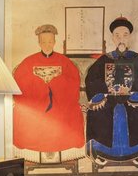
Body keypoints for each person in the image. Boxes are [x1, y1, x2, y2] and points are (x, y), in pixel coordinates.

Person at [85, 16, 138, 166]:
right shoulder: (104, 59)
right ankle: (101, 152)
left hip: (132, 99)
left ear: (130, 37)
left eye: (125, 35)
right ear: (112, 38)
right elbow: (92, 79)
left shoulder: (137, 59)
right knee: (98, 111)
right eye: (117, 35)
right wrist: (99, 94)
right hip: (108, 98)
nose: (121, 38)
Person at [11, 23, 85, 154]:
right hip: (36, 102)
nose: (47, 44)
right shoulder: (29, 62)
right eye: (44, 41)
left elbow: (73, 81)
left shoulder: (64, 61)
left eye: (50, 41)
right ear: (39, 42)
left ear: (54, 42)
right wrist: (40, 86)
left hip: (61, 102)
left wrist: (55, 84)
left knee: (71, 112)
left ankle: (61, 144)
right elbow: (20, 81)